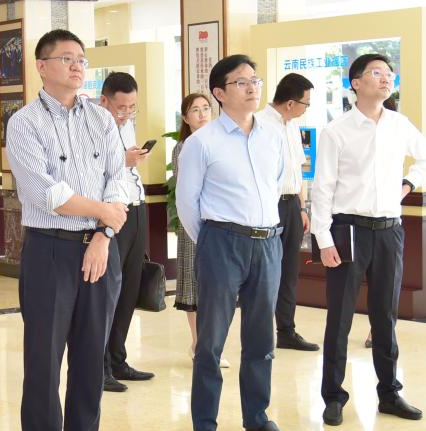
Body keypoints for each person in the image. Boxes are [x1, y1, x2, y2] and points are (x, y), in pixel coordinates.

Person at [6, 29, 132, 430]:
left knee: (92, 360)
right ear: (41, 66)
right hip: (50, 251)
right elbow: (45, 193)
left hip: (101, 250)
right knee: (43, 361)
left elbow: (119, 180)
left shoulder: (101, 118)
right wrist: (103, 213)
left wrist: (103, 236)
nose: (77, 66)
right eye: (66, 58)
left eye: (81, 59)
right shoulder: (24, 123)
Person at [311, 53, 426, 426]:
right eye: (377, 73)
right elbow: (323, 188)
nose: (386, 78)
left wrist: (408, 184)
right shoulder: (337, 130)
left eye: (389, 73)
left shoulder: (399, 124)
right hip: (347, 229)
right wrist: (323, 239)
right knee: (340, 317)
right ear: (356, 83)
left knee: (385, 316)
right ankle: (333, 396)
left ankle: (390, 394)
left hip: (389, 231)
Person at [176, 54, 284, 431]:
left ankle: (257, 417)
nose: (252, 87)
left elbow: (275, 186)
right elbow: (187, 203)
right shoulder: (201, 143)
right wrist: (213, 241)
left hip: (268, 243)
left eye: (255, 80)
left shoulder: (273, 136)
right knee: (210, 343)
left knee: (261, 339)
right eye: (241, 82)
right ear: (220, 93)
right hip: (222, 243)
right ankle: (205, 422)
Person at [254, 73, 320, 352]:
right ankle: (259, 333)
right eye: (306, 103)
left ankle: (286, 331)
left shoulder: (292, 125)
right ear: (291, 103)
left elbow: (298, 171)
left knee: (289, 270)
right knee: (265, 271)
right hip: (268, 205)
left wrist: (302, 208)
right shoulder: (258, 123)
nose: (307, 108)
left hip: (292, 205)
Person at [97, 71, 155, 393]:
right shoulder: (92, 126)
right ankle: (101, 366)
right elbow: (92, 169)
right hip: (111, 211)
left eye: (132, 107)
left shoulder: (126, 124)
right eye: (121, 107)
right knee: (110, 291)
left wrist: (132, 160)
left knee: (131, 287)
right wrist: (124, 159)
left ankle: (118, 359)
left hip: (136, 207)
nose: (127, 113)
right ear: (104, 101)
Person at [171, 93, 229, 369]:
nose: (203, 114)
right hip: (193, 223)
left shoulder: (221, 143)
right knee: (194, 286)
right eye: (196, 110)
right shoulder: (183, 147)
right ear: (185, 118)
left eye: (206, 108)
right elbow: (187, 192)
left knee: (217, 286)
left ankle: (211, 344)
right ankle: (198, 343)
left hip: (219, 223)